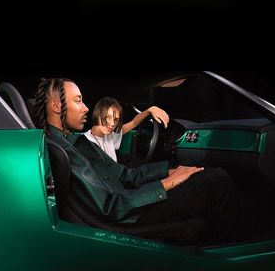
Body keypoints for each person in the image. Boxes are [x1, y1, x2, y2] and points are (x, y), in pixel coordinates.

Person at [33, 77, 256, 244]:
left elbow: (123, 174)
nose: (86, 108)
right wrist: (166, 184)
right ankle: (252, 245)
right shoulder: (62, 150)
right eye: (78, 101)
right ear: (56, 106)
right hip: (128, 216)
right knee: (215, 181)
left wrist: (169, 170)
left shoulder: (75, 141)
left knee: (202, 176)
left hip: (128, 203)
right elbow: (110, 207)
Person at [85, 96, 169, 162]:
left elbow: (134, 122)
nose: (112, 124)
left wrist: (150, 110)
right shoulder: (85, 143)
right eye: (108, 117)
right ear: (97, 114)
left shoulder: (109, 136)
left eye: (116, 120)